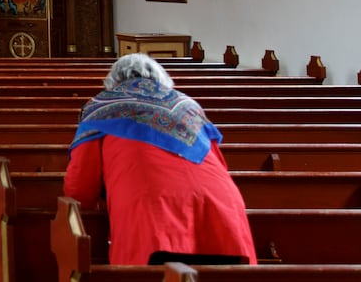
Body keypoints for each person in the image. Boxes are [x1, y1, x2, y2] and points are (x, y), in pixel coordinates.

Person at [63, 54, 257, 265]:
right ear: (162, 80)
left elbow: (80, 190)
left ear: (112, 82)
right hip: (221, 210)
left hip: (153, 215)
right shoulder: (188, 106)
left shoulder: (101, 108)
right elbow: (217, 161)